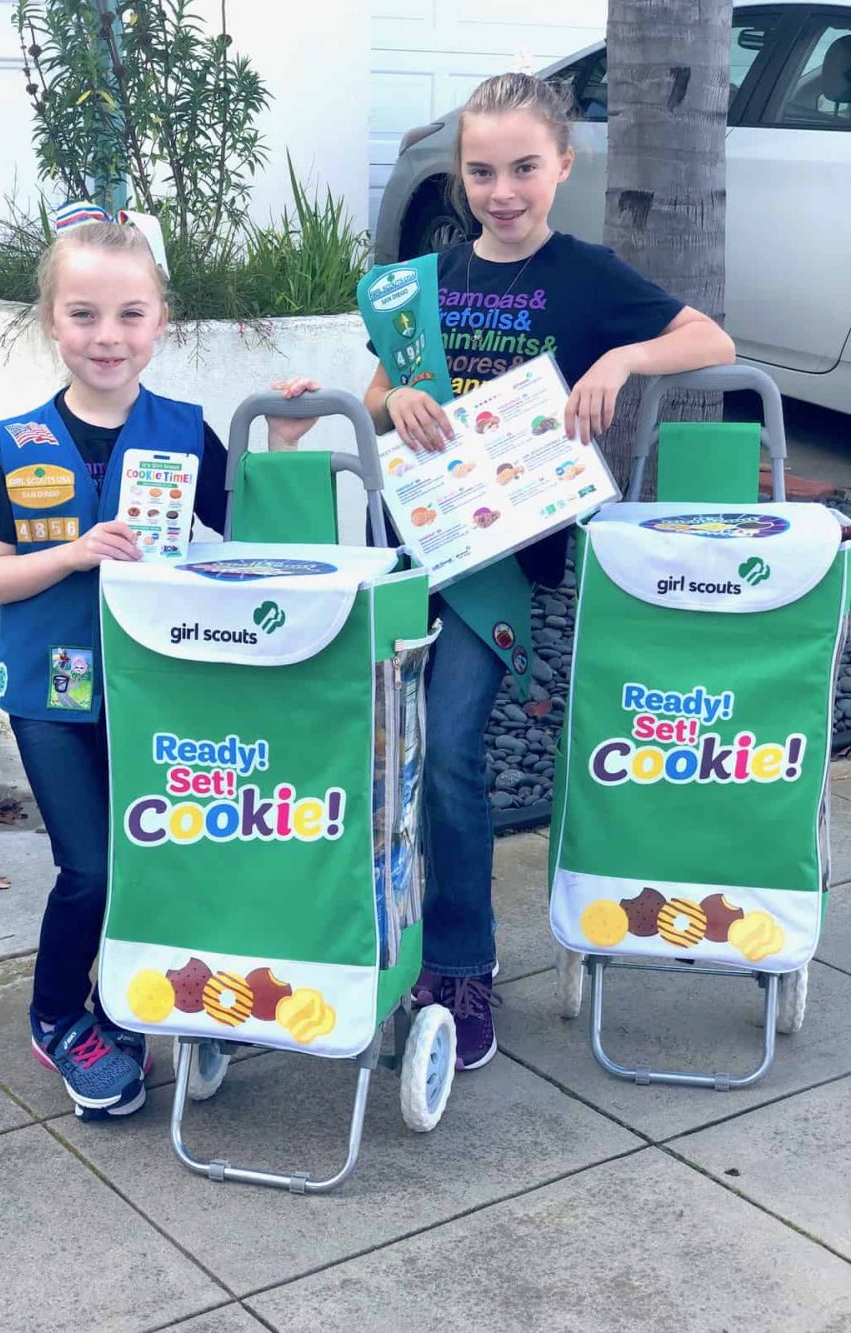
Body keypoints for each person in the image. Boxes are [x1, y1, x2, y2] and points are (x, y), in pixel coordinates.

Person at [357, 72, 736, 1071]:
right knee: (394, 759)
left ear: (561, 166)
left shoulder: (587, 275)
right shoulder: (425, 281)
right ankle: (396, 946)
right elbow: (376, 384)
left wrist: (622, 362)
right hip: (417, 545)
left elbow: (710, 336)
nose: (502, 189)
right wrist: (393, 399)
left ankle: (463, 961)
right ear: (461, 176)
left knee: (448, 753)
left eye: (524, 167)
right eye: (481, 170)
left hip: (506, 567)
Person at [0, 209, 315, 1118]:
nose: (106, 336)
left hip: (161, 688)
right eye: (83, 314)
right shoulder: (15, 441)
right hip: (50, 696)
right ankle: (56, 1017)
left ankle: (132, 1002)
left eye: (129, 314)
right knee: (94, 867)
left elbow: (255, 538)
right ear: (50, 321)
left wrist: (285, 447)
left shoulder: (184, 431)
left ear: (161, 321)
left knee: (160, 855)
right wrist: (73, 552)